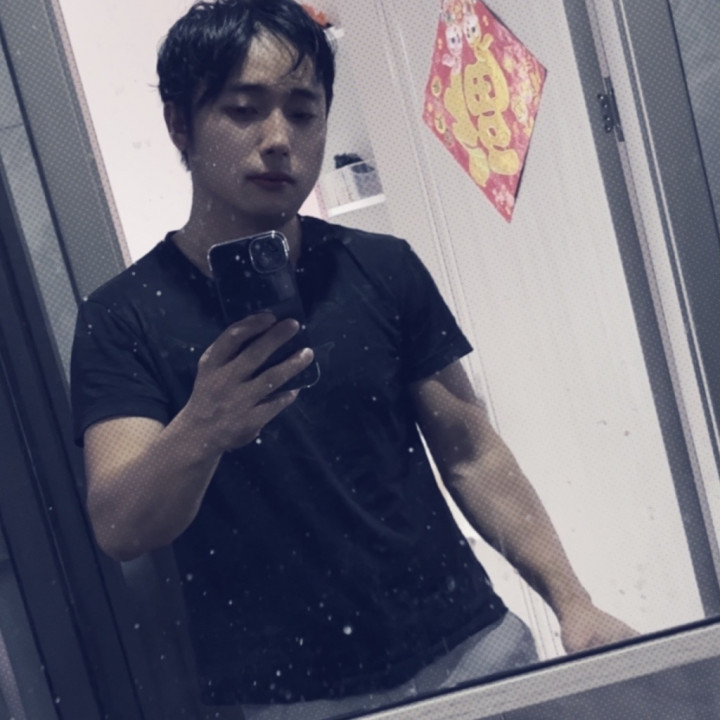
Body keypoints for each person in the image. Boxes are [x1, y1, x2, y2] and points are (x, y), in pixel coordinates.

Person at [70, 1, 635, 718]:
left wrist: (572, 601)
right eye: (244, 110)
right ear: (180, 124)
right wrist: (202, 428)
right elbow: (120, 526)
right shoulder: (122, 317)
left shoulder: (382, 267)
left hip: (470, 649)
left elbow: (471, 452)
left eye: (304, 112)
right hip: (293, 697)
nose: (279, 139)